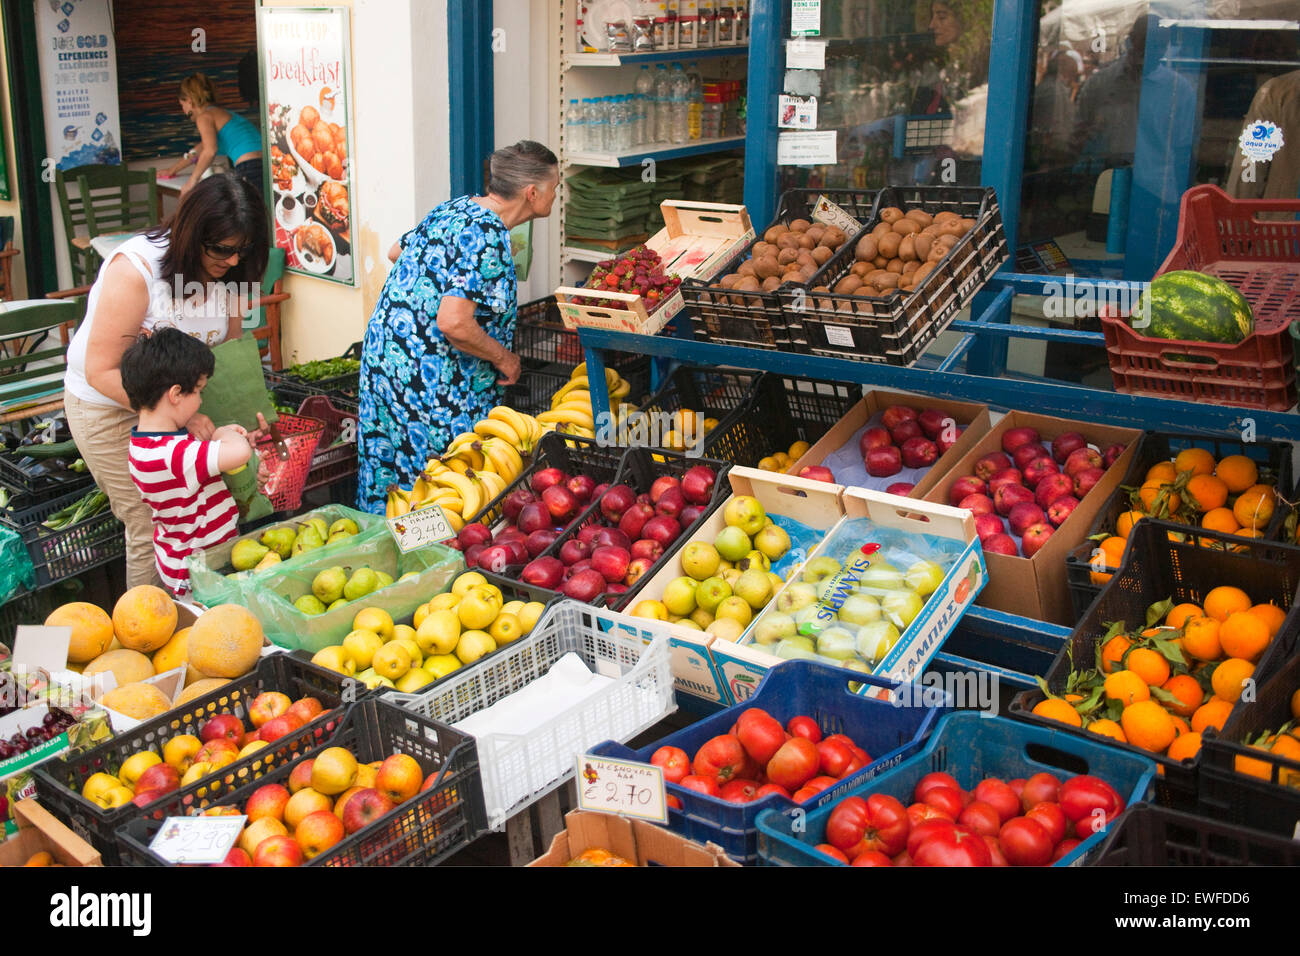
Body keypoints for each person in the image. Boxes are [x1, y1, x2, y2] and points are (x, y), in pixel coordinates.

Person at [63, 173, 269, 588]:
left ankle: (206, 613)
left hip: (182, 403)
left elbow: (228, 352)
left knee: (211, 508)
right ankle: (145, 635)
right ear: (191, 233)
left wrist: (247, 421)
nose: (231, 261)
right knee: (151, 520)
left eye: (242, 251)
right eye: (221, 250)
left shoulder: (234, 270)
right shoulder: (136, 270)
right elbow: (101, 369)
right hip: (110, 402)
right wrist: (180, 420)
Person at [355, 141, 559, 514]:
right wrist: (506, 359)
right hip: (434, 379)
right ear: (532, 193)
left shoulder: (456, 207)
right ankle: (435, 558)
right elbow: (453, 322)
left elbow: (396, 252)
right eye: (554, 188)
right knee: (443, 481)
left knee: (391, 474)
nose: (556, 195)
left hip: (387, 359)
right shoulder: (490, 235)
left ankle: (386, 551)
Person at [121, 329, 251, 597]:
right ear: (176, 394)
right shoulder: (175, 456)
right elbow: (240, 453)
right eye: (199, 391)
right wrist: (222, 435)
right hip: (201, 572)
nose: (202, 400)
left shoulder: (146, 445)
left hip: (183, 560)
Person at [163, 73, 265, 196]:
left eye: (182, 105)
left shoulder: (204, 117)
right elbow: (198, 151)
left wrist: (191, 182)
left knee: (251, 212)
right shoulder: (221, 114)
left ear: (189, 101)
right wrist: (172, 170)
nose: (183, 110)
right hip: (266, 163)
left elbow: (210, 151)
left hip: (250, 166)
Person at [1226, 69, 1300, 204]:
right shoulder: (1275, 93)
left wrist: (1236, 218)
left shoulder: (1276, 92)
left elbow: (1248, 174)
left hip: (1282, 220)